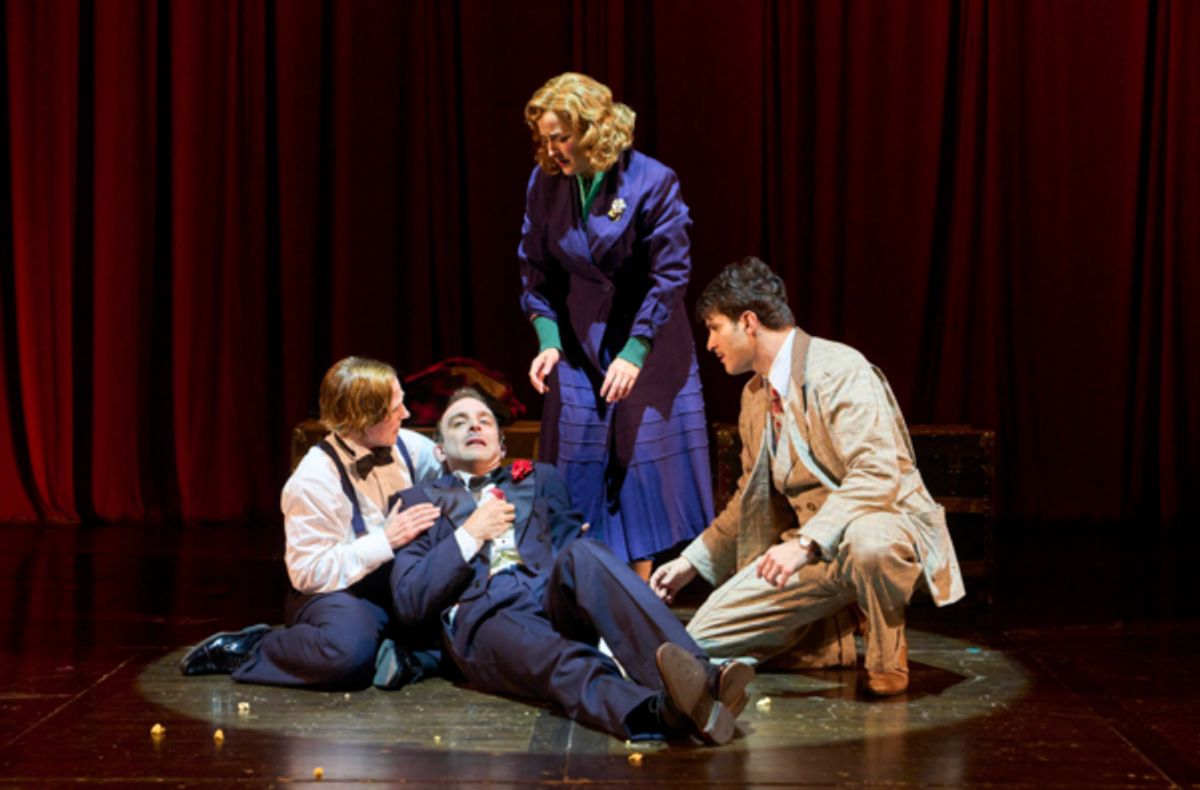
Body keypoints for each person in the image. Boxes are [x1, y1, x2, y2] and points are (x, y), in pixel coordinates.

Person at [650, 258, 965, 696]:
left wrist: (805, 542)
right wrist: (691, 562)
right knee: (701, 636)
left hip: (873, 526)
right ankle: (827, 639)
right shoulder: (755, 395)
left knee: (869, 542)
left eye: (714, 327)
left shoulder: (838, 368)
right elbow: (748, 500)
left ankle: (886, 656)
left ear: (748, 322)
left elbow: (877, 471)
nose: (709, 343)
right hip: (812, 551)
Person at [390, 388, 753, 744]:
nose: (474, 427)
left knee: (586, 552)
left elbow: (569, 543)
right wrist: (469, 534)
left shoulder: (539, 478)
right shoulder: (418, 501)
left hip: (547, 594)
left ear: (501, 445)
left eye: (484, 421)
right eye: (459, 422)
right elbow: (409, 601)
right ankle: (660, 712)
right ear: (439, 450)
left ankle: (704, 680)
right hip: (486, 613)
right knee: (563, 658)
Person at [519, 72, 712, 578]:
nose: (553, 149)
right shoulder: (546, 182)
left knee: (636, 476)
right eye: (545, 138)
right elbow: (534, 268)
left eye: (562, 136)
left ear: (594, 129)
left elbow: (670, 276)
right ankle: (583, 592)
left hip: (646, 339)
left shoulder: (652, 180)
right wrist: (548, 340)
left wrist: (635, 351)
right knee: (578, 471)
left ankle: (635, 599)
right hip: (579, 346)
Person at [179, 356, 444, 689]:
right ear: (364, 418)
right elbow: (308, 573)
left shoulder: (409, 448)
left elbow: (451, 467)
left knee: (475, 623)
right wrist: (384, 541)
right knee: (345, 653)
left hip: (393, 584)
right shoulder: (313, 479)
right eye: (395, 409)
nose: (405, 415)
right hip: (336, 590)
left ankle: (405, 658)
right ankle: (255, 649)